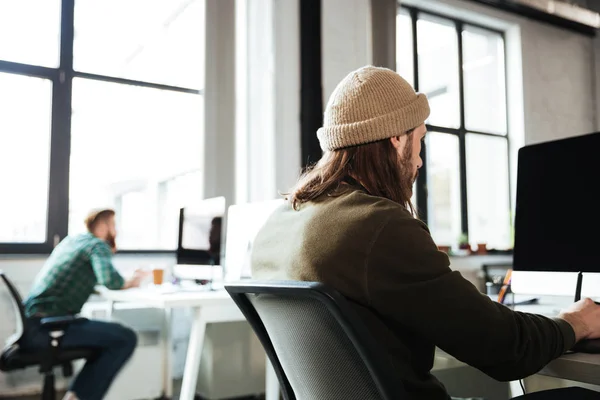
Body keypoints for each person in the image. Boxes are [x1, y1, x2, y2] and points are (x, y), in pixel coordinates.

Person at [250, 66, 600, 399]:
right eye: (420, 140)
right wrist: (575, 321)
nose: (419, 161)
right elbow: (507, 349)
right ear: (397, 138)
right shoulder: (378, 225)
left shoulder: (276, 225)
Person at [22, 208, 149, 400]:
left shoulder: (73, 241)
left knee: (107, 339)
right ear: (104, 225)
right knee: (125, 337)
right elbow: (109, 280)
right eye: (113, 225)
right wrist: (131, 281)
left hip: (33, 324)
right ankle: (77, 397)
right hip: (49, 328)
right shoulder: (97, 245)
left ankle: (76, 396)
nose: (116, 231)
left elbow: (85, 278)